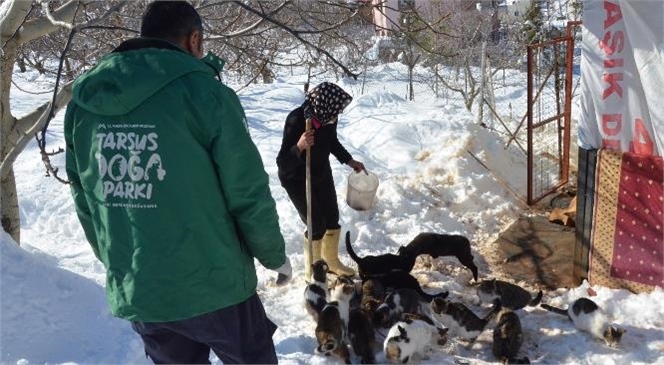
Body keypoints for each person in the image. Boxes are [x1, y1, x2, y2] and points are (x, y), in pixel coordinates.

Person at [64, 1, 291, 364]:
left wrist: (120, 264)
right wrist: (273, 255)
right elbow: (246, 190)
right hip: (216, 284)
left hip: (145, 290)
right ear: (194, 39)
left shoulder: (84, 105)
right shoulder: (205, 95)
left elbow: (86, 199)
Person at [276, 82, 365, 281]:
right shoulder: (297, 120)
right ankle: (313, 272)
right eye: (335, 110)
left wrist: (349, 160)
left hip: (321, 171)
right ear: (324, 105)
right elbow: (282, 163)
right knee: (316, 224)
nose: (336, 115)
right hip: (296, 178)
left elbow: (331, 141)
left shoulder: (328, 116)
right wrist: (299, 146)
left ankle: (331, 262)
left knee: (332, 218)